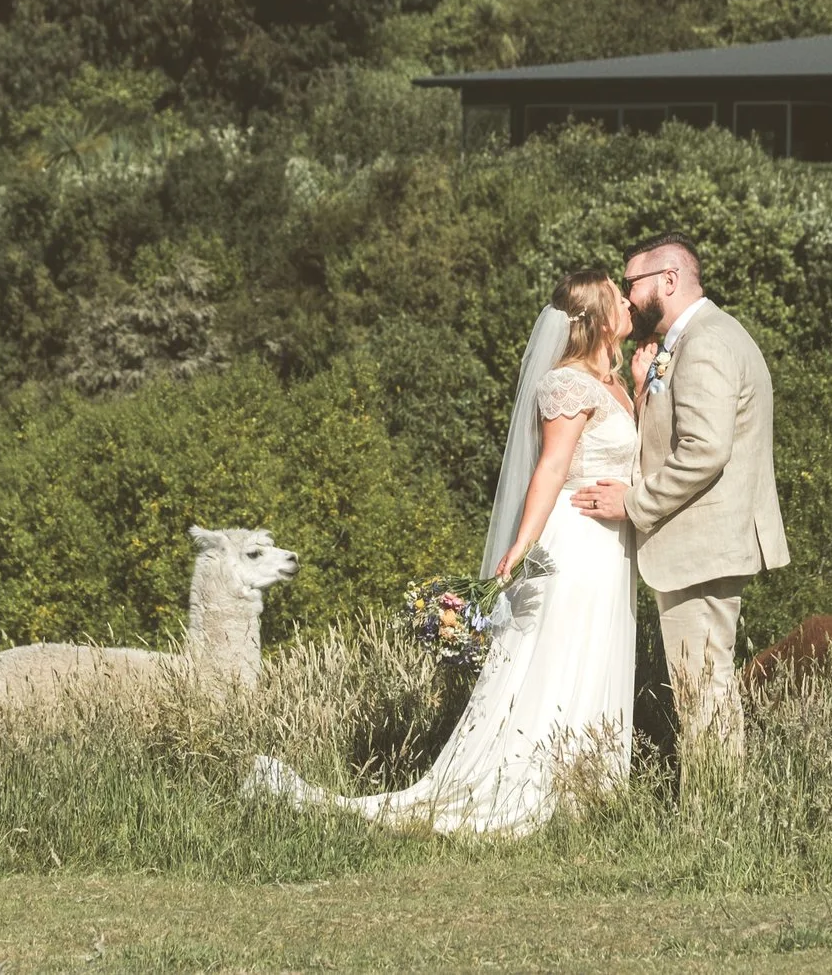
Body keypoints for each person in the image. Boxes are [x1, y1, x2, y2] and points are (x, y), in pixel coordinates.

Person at [242, 268, 639, 834]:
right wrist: (520, 548)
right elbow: (551, 468)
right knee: (559, 658)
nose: (629, 304)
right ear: (598, 318)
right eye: (619, 298)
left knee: (596, 653)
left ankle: (588, 792)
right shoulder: (567, 385)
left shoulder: (618, 383)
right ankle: (532, 786)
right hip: (573, 543)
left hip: (610, 551)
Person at [571, 231, 787, 763]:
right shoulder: (690, 339)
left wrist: (634, 503)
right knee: (704, 684)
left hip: (702, 542)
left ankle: (714, 817)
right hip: (702, 541)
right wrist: (645, 390)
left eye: (631, 283)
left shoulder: (707, 341)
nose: (626, 296)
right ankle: (717, 810)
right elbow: (676, 433)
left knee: (703, 690)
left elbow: (704, 450)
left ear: (668, 280)